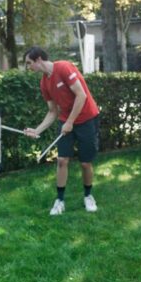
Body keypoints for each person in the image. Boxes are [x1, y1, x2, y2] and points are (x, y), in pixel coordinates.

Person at [23, 47, 100, 215]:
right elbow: (53, 112)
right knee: (62, 161)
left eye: (29, 63)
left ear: (38, 59)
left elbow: (81, 96)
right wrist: (37, 130)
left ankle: (88, 196)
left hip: (86, 118)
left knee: (85, 163)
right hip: (66, 121)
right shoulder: (44, 83)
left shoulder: (64, 67)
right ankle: (60, 200)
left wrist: (70, 121)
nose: (28, 67)